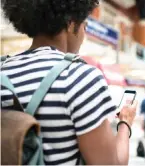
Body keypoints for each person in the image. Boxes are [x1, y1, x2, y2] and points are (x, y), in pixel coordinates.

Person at [1, 0, 137, 165]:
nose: (84, 32)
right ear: (71, 23)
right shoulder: (79, 77)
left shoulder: (3, 70)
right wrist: (125, 123)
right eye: (84, 25)